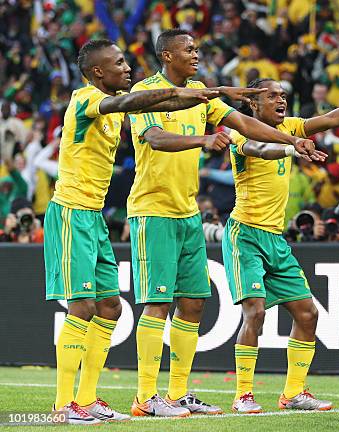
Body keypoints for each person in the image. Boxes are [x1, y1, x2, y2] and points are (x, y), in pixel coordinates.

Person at [127, 29, 319, 418]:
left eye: (197, 48)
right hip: (153, 209)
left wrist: (290, 141)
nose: (196, 54)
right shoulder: (146, 93)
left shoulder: (199, 92)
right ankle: (146, 396)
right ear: (167, 55)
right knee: (158, 303)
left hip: (188, 212)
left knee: (194, 304)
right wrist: (201, 142)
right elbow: (156, 138)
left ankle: (178, 394)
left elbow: (244, 125)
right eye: (189, 49)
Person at [44, 38, 220, 425]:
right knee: (83, 307)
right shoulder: (86, 98)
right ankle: (62, 406)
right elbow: (128, 102)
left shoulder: (110, 106)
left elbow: (165, 104)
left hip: (94, 217)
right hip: (71, 213)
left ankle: (87, 399)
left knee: (111, 307)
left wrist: (210, 94)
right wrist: (177, 91)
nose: (127, 68)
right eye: (119, 63)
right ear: (97, 72)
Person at [223, 77, 339, 413]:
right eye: (272, 96)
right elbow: (259, 149)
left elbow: (333, 118)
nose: (281, 100)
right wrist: (291, 146)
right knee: (255, 312)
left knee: (308, 314)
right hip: (245, 235)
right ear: (253, 103)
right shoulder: (243, 132)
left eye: (283, 95)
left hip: (275, 239)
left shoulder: (292, 126)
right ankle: (243, 395)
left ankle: (293, 393)